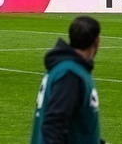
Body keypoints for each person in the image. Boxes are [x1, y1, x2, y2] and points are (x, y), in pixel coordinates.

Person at [30, 16, 103, 144]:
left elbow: (76, 125)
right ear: (97, 42)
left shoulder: (63, 68)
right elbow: (54, 126)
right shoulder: (70, 74)